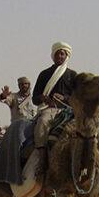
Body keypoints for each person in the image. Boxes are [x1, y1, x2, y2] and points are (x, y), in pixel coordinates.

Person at [31, 42, 77, 170]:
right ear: (53, 55)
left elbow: (77, 98)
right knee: (42, 122)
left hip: (69, 109)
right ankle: (42, 157)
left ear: (66, 56)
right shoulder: (44, 74)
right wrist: (42, 98)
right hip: (50, 109)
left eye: (62, 54)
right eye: (57, 53)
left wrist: (64, 98)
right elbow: (35, 98)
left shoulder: (73, 75)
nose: (59, 56)